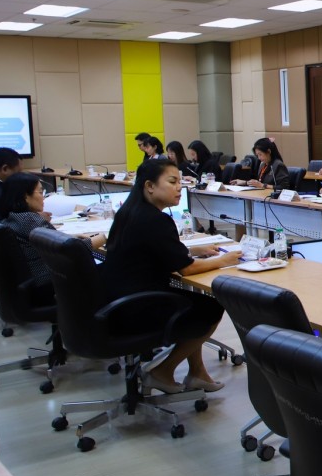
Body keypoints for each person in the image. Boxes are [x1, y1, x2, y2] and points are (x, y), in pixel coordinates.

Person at [100, 159, 241, 394]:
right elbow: (186, 269)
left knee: (197, 300)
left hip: (117, 301)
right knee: (211, 305)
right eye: (173, 181)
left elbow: (153, 250)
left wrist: (192, 250)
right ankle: (162, 372)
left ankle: (197, 373)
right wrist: (224, 260)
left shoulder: (130, 212)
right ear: (150, 186)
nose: (179, 187)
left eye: (180, 182)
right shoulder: (156, 219)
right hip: (137, 308)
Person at [0, 173, 105, 284]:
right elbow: (71, 250)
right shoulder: (29, 219)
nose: (43, 198)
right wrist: (104, 237)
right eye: (41, 192)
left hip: (34, 279)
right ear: (26, 196)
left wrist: (72, 237)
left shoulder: (13, 217)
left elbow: (58, 242)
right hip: (49, 281)